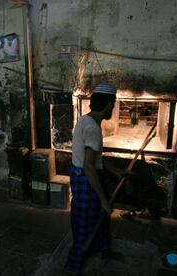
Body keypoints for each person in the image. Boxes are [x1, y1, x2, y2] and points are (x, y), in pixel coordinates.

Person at [65, 83, 128, 274]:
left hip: (79, 175)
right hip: (86, 178)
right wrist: (103, 200)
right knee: (86, 222)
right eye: (114, 104)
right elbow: (89, 166)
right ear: (109, 105)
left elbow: (93, 157)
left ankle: (101, 248)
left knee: (94, 217)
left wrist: (115, 171)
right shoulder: (93, 129)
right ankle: (73, 265)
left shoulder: (84, 120)